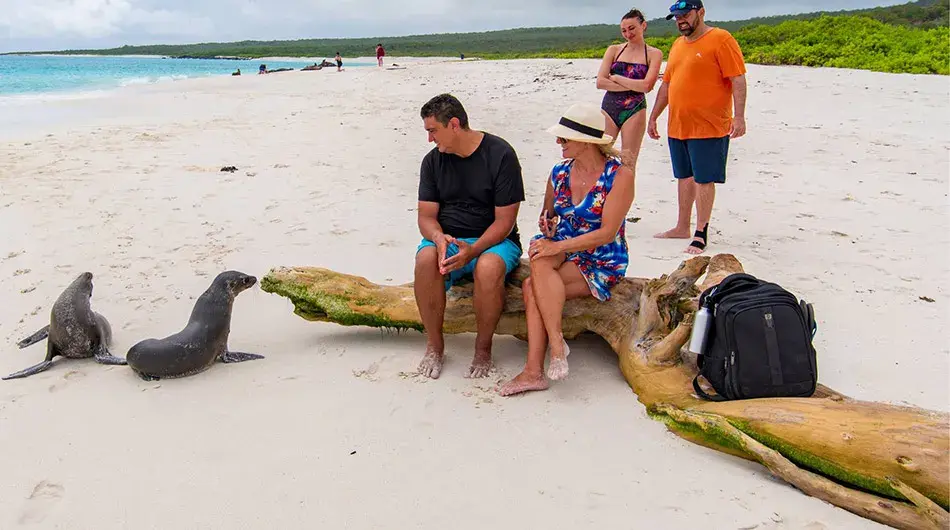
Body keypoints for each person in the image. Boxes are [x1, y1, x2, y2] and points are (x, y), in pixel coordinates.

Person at [498, 103, 636, 397]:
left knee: (531, 286)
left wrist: (556, 245)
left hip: (601, 256)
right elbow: (549, 214)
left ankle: (535, 370)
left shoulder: (619, 176)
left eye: (564, 139)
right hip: (562, 246)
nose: (558, 143)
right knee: (540, 255)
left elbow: (607, 233)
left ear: (586, 142)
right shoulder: (559, 172)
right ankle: (555, 344)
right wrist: (548, 227)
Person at [414, 93, 526, 380]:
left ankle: (483, 348)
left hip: (495, 241)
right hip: (448, 239)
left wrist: (473, 250)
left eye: (432, 131)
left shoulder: (500, 155)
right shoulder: (432, 162)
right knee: (426, 258)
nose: (430, 140)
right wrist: (439, 239)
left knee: (488, 268)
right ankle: (435, 346)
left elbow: (505, 221)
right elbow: (426, 217)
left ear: (453, 124)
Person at [648, 0, 747, 254]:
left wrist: (740, 117)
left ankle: (700, 232)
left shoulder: (721, 39)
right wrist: (654, 116)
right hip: (679, 124)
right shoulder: (678, 45)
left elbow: (737, 79)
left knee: (704, 179)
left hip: (709, 125)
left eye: (685, 15)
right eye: (676, 17)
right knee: (684, 176)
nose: (681, 20)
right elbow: (667, 85)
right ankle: (682, 226)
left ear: (700, 12)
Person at [597, 8, 663, 165]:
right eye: (624, 31)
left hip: (635, 109)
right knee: (599, 156)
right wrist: (634, 85)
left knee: (629, 162)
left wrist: (617, 78)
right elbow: (600, 82)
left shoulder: (654, 54)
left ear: (643, 26)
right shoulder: (614, 50)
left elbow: (647, 86)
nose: (628, 34)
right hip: (609, 107)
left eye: (632, 28)